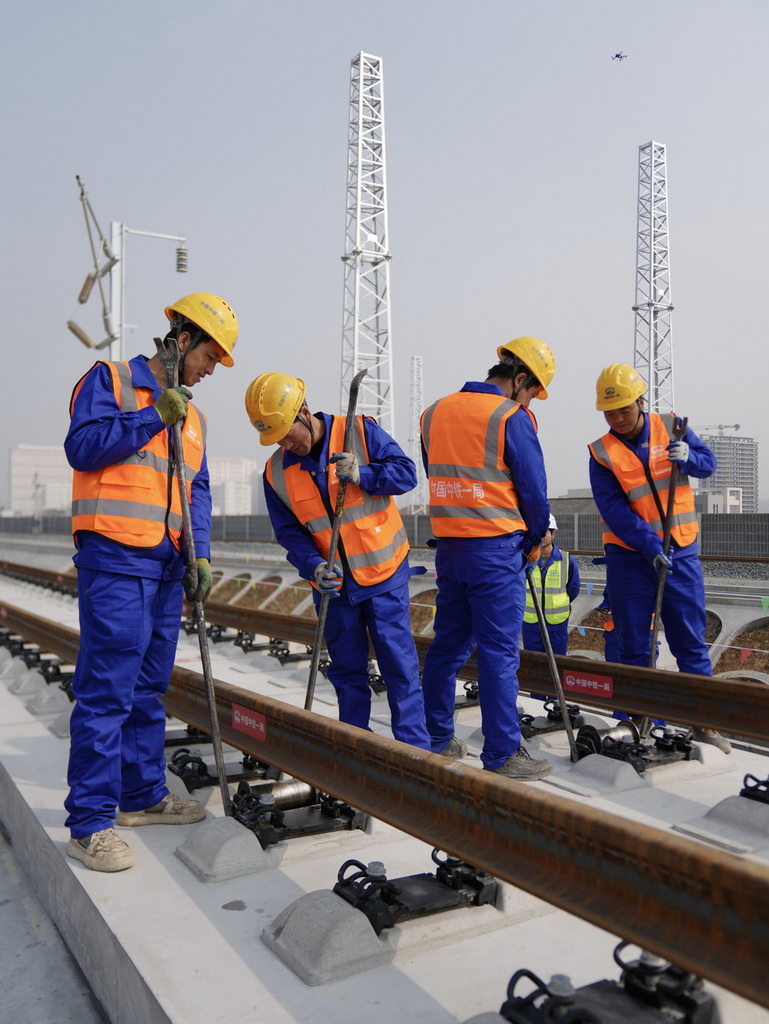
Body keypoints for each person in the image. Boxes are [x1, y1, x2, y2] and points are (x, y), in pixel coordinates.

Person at [64, 292, 239, 872]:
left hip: (166, 566)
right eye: (210, 357)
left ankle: (140, 795)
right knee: (107, 690)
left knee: (148, 686)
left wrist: (201, 555)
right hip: (115, 557)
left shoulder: (196, 417)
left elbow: (199, 491)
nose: (212, 370)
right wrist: (151, 417)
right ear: (182, 340)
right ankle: (90, 822)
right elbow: (83, 448)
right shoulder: (111, 380)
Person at [246, 372, 432, 750]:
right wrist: (313, 566)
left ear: (304, 413)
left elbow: (406, 474)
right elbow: (290, 532)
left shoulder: (360, 432)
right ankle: (355, 750)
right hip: (333, 586)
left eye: (287, 432)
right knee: (347, 672)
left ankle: (416, 752)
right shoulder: (274, 472)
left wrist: (364, 474)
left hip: (383, 574)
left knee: (399, 667)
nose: (285, 443)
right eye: (276, 437)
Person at [419, 337, 556, 780]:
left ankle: (438, 738)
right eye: (534, 391)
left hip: (450, 550)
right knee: (499, 653)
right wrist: (537, 537)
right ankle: (501, 753)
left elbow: (439, 474)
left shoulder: (433, 413)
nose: (532, 400)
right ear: (519, 380)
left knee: (448, 645)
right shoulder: (510, 417)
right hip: (496, 550)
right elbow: (533, 490)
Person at [588, 363, 730, 753]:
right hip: (631, 556)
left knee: (689, 639)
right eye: (609, 412)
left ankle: (703, 721)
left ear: (641, 401)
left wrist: (690, 458)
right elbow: (615, 510)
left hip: (680, 549)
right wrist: (650, 546)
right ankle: (640, 718)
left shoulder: (673, 426)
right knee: (633, 641)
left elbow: (708, 464)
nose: (617, 419)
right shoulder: (601, 454)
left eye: (624, 410)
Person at [521, 514, 581, 657]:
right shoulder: (524, 559)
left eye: (545, 531)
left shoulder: (567, 560)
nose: (541, 535)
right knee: (533, 662)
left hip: (556, 624)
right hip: (531, 622)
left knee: (557, 661)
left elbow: (573, 590)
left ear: (553, 534)